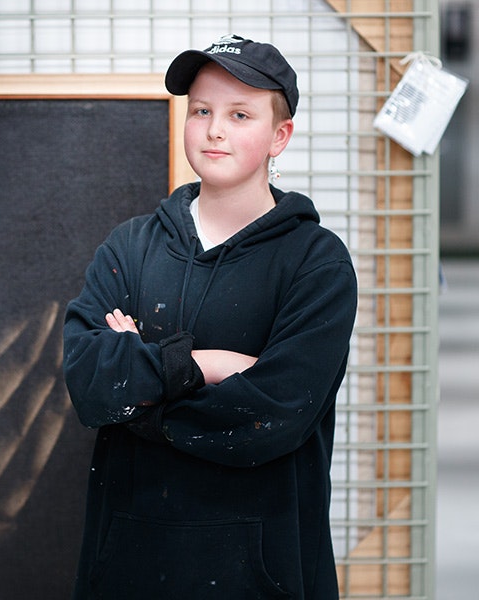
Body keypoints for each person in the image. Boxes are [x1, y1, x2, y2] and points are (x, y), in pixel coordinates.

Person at [63, 34, 358, 599]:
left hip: (263, 574)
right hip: (128, 566)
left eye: (239, 114)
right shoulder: (129, 247)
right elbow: (92, 385)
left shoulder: (316, 262)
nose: (214, 129)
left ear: (279, 136)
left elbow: (273, 416)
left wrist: (141, 401)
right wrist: (205, 364)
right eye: (201, 110)